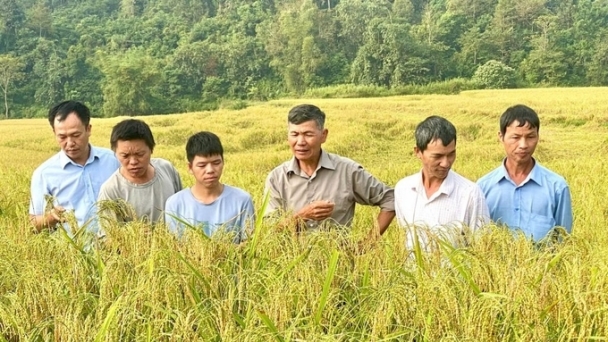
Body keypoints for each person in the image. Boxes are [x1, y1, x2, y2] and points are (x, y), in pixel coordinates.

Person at [264, 104, 395, 236]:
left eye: (308, 134)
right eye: (294, 134)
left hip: (338, 255)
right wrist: (303, 215)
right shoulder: (277, 178)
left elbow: (390, 199)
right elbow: (270, 231)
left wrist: (367, 244)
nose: (300, 142)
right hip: (290, 256)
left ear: (323, 135)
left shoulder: (347, 171)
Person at [477, 104, 573, 241]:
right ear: (501, 136)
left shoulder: (557, 187)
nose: (523, 145)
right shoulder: (482, 187)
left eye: (530, 137)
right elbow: (478, 238)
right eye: (515, 137)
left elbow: (564, 241)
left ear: (538, 137)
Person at [394, 116, 489, 250]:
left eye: (451, 154)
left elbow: (481, 247)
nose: (446, 163)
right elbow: (404, 236)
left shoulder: (470, 193)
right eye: (437, 156)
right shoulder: (403, 189)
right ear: (418, 152)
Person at [29, 100, 120, 234]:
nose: (70, 143)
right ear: (54, 132)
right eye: (62, 137)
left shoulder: (114, 160)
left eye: (76, 135)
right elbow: (33, 224)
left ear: (88, 129)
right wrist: (51, 217)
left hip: (118, 249)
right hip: (72, 252)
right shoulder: (44, 174)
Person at [164, 131, 255, 242]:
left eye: (216, 163)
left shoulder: (242, 200)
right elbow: (174, 247)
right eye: (202, 165)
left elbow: (248, 244)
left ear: (223, 162)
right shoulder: (175, 204)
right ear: (190, 167)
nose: (210, 170)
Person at [97, 119, 182, 224]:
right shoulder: (111, 190)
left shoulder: (167, 169)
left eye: (140, 154)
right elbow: (108, 235)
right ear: (115, 153)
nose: (133, 162)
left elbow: (183, 211)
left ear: (151, 149)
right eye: (125, 156)